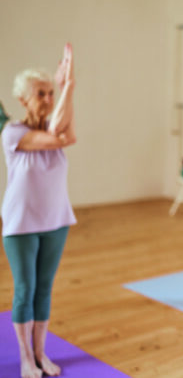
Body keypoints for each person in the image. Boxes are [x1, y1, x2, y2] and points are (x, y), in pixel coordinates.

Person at [3, 43, 77, 378]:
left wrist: (68, 88)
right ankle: (25, 359)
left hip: (56, 221)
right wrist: (68, 87)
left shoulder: (52, 129)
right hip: (20, 225)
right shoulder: (13, 132)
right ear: (22, 99)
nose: (47, 99)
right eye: (40, 94)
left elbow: (65, 134)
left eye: (50, 93)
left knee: (44, 289)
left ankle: (40, 353)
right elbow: (57, 139)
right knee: (25, 291)